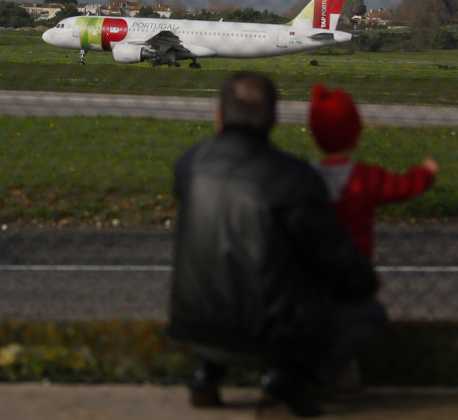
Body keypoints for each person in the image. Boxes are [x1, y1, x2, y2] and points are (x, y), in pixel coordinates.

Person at [169, 72, 387, 417]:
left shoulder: (189, 165)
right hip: (268, 332)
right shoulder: (293, 178)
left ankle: (205, 375)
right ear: (275, 120)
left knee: (220, 265)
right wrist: (365, 282)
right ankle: (289, 378)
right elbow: (333, 255)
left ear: (218, 115)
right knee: (369, 314)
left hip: (195, 323)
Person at [308, 83, 440, 262]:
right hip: (353, 267)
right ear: (356, 135)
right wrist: (426, 172)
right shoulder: (366, 178)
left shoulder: (303, 176)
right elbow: (403, 187)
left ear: (315, 135)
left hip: (312, 265)